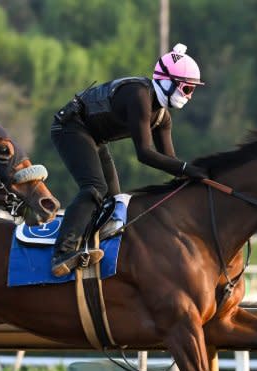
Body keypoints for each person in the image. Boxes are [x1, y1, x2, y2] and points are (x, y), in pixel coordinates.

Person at [49, 43, 208, 277]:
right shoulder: (139, 96)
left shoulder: (163, 117)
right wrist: (187, 169)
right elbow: (144, 153)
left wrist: (195, 174)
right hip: (70, 127)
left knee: (113, 202)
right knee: (95, 188)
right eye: (186, 88)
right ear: (167, 81)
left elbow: (169, 161)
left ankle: (88, 246)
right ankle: (62, 252)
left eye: (192, 89)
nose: (190, 96)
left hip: (94, 137)